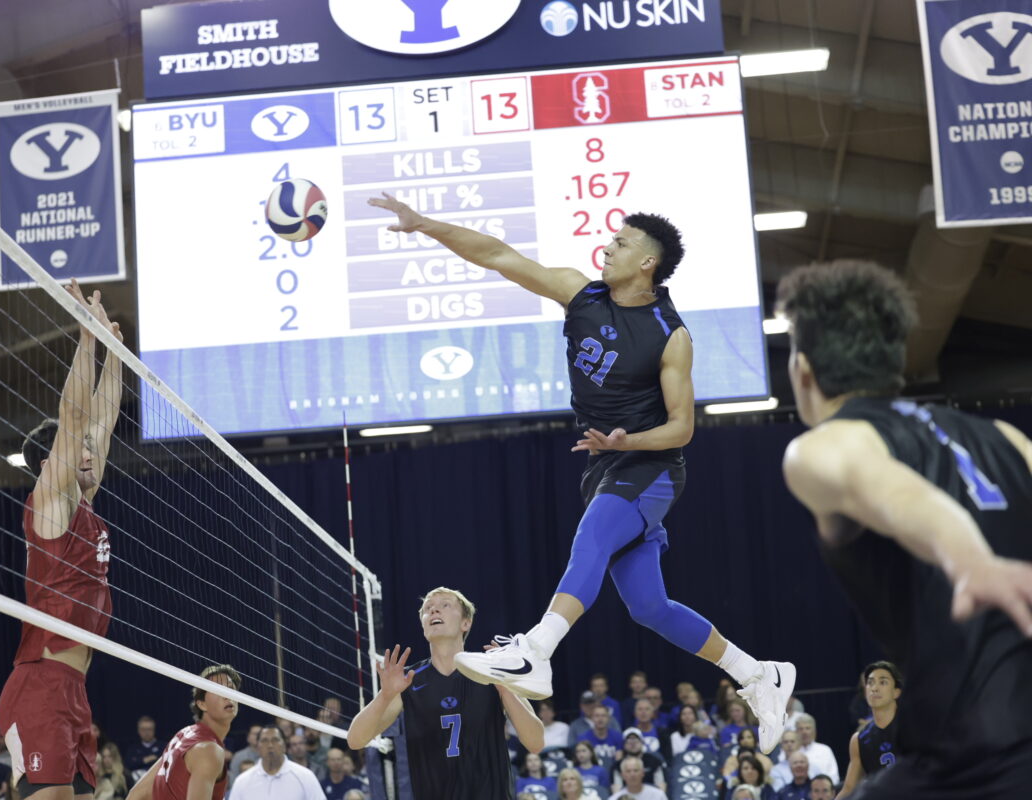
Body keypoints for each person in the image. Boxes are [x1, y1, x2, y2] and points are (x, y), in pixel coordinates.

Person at [369, 194, 796, 753]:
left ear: (647, 263)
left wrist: (628, 440)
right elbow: (498, 255)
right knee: (648, 607)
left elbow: (682, 427)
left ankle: (536, 650)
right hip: (604, 465)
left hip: (652, 465)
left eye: (621, 244)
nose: (609, 247)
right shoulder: (581, 294)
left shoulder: (671, 335)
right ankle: (760, 673)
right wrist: (425, 225)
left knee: (591, 538)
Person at [779, 259, 1032, 797]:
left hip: (977, 764)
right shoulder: (1007, 438)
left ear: (803, 370)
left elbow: (891, 490)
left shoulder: (824, 445)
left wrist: (971, 562)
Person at [0, 280, 123, 800]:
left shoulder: (85, 504)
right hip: (41, 686)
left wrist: (114, 350)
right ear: (51, 465)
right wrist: (87, 340)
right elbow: (75, 421)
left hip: (74, 693)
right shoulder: (52, 499)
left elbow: (100, 421)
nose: (89, 452)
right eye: (75, 451)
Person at [346, 586, 544, 799]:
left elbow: (536, 743)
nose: (434, 611)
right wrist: (385, 696)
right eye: (427, 608)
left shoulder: (493, 672)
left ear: (465, 623)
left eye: (444, 605)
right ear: (423, 626)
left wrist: (504, 688)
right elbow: (355, 740)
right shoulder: (408, 680)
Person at [125, 664, 240, 800]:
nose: (228, 695)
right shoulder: (209, 749)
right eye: (219, 689)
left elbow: (135, 795)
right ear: (201, 704)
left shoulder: (183, 734)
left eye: (231, 688)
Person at [837, 661, 901, 799]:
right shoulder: (859, 739)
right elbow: (848, 789)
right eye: (870, 683)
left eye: (882, 682)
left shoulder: (914, 727)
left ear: (896, 692)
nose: (874, 688)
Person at [226, 726, 321, 800]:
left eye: (275, 740)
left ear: (284, 746)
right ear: (258, 747)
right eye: (264, 741)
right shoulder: (242, 781)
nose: (270, 745)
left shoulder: (305, 776)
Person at [124, 718, 161, 783]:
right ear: (138, 731)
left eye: (149, 729)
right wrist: (144, 760)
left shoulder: (163, 747)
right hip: (137, 783)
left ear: (154, 730)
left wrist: (139, 761)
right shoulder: (133, 749)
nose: (146, 732)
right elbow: (128, 765)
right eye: (143, 730)